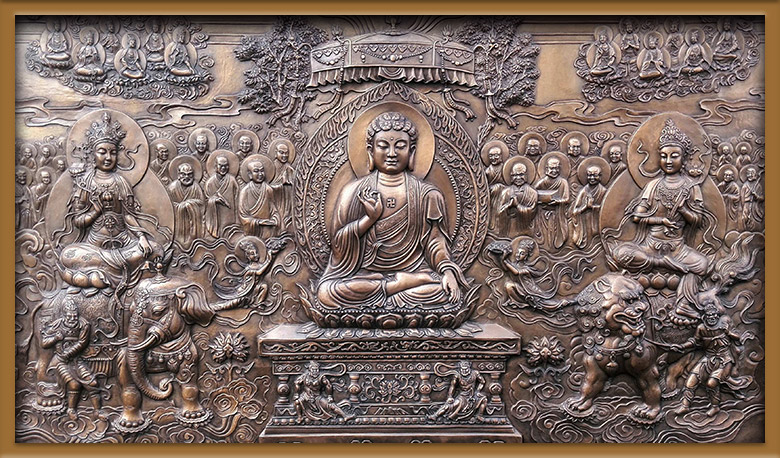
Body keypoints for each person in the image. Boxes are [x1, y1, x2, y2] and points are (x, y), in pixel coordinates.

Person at [316, 111, 467, 310]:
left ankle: (398, 288)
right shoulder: (352, 192)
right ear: (370, 151)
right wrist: (369, 220)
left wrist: (447, 271)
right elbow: (339, 243)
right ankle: (397, 286)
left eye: (400, 146)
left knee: (442, 291)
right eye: (383, 146)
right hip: (365, 276)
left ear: (412, 151)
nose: (392, 153)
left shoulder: (428, 194)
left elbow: (435, 242)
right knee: (326, 292)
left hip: (414, 271)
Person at [609, 118, 714, 318]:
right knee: (620, 253)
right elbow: (637, 216)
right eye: (664, 156)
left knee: (703, 264)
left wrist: (683, 210)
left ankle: (684, 303)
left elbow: (698, 220)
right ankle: (661, 263)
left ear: (684, 159)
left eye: (674, 156)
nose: (668, 161)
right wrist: (661, 220)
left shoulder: (692, 187)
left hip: (677, 248)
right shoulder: (653, 185)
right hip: (651, 246)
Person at [55, 112, 160, 290]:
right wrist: (96, 211)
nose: (108, 157)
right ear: (93, 154)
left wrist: (142, 238)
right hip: (94, 246)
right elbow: (78, 221)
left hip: (124, 242)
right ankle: (122, 270)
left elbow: (128, 216)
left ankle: (100, 274)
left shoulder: (121, 182)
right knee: (67, 255)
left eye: (113, 152)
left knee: (156, 249)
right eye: (102, 152)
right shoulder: (85, 183)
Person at [672, 304, 754, 417]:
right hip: (708, 359)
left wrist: (728, 332)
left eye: (714, 315)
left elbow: (738, 337)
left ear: (717, 315)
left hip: (724, 360)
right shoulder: (701, 328)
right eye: (709, 315)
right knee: (690, 381)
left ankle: (715, 407)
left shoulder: (725, 322)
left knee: (711, 383)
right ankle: (685, 406)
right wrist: (682, 346)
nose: (712, 318)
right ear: (705, 316)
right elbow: (695, 342)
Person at [40, 299, 104, 421]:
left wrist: (68, 353)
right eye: (69, 316)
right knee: (74, 385)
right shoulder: (57, 325)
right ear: (64, 314)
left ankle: (97, 411)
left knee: (93, 383)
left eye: (75, 315)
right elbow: (44, 343)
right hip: (60, 361)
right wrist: (55, 338)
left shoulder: (84, 325)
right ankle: (71, 410)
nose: (72, 318)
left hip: (76, 360)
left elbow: (82, 342)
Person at [534, 157, 570, 249]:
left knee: (555, 234)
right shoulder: (543, 182)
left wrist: (558, 201)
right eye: (552, 168)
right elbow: (533, 195)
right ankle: (545, 249)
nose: (554, 171)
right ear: (547, 169)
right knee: (544, 234)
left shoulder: (563, 182)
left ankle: (554, 250)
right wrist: (541, 199)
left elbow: (567, 199)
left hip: (557, 213)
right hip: (542, 213)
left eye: (556, 168)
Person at [168, 162, 205, 248]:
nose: (187, 177)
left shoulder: (196, 187)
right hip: (178, 221)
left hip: (192, 221)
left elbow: (202, 204)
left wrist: (189, 204)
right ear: (179, 175)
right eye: (183, 174)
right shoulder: (172, 187)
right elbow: (168, 206)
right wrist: (181, 207)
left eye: (189, 174)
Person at [238, 160, 279, 239]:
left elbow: (273, 210)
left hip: (267, 229)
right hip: (252, 230)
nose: (260, 174)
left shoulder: (268, 189)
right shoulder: (245, 191)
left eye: (262, 171)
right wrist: (259, 222)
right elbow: (243, 216)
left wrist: (274, 220)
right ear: (250, 174)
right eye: (256, 171)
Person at [570, 165, 607, 248]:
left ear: (600, 176)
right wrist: (584, 207)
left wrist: (593, 207)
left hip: (597, 223)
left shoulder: (603, 191)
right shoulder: (583, 191)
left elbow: (608, 210)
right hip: (585, 225)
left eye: (595, 175)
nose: (592, 178)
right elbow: (575, 211)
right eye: (590, 175)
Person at [496, 162, 537, 235]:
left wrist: (517, 205)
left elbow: (532, 211)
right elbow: (499, 213)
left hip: (526, 229)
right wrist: (509, 206)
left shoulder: (532, 193)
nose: (518, 178)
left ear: (526, 176)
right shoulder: (506, 192)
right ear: (511, 176)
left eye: (521, 174)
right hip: (510, 228)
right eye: (515, 175)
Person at [204, 154, 238, 238]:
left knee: (230, 234)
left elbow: (237, 196)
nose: (223, 168)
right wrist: (213, 200)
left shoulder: (232, 180)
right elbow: (205, 201)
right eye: (221, 166)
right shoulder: (210, 182)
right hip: (216, 215)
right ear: (216, 166)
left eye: (225, 166)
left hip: (230, 214)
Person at [269, 141, 295, 227]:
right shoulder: (271, 167)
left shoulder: (289, 169)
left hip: (286, 201)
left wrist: (287, 184)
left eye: (286, 153)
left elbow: (294, 187)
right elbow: (266, 185)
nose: (284, 155)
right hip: (273, 200)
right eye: (281, 153)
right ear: (276, 153)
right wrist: (278, 186)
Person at [739, 166, 763, 231]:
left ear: (754, 174)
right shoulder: (745, 186)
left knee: (755, 220)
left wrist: (756, 196)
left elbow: (762, 198)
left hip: (755, 206)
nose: (749, 175)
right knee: (744, 218)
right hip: (746, 205)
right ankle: (745, 230)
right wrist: (744, 206)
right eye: (748, 173)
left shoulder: (757, 186)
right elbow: (742, 197)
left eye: (751, 173)